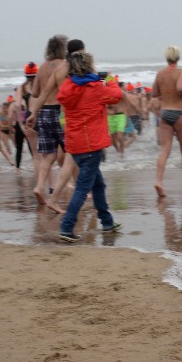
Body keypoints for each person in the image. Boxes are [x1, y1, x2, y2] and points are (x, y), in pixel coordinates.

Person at [56, 51, 123, 242]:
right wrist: (110, 79)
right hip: (91, 146)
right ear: (89, 66)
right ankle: (66, 227)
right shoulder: (95, 88)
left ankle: (107, 221)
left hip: (75, 144)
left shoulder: (67, 87)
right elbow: (116, 95)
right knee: (82, 189)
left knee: (98, 184)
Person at [25, 35, 70, 206]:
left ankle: (39, 186)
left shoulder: (42, 67)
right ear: (63, 49)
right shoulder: (64, 66)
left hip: (43, 112)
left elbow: (35, 93)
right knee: (72, 152)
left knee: (48, 155)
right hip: (60, 112)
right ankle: (77, 188)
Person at [152, 45, 182, 197]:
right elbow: (179, 87)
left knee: (165, 150)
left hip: (165, 113)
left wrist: (166, 92)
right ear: (178, 57)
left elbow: (154, 93)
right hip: (180, 113)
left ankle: (158, 181)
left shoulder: (160, 74)